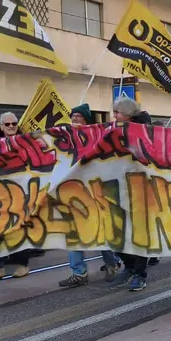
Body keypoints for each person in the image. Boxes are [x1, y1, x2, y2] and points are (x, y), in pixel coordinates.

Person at [59, 104, 121, 288]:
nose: (75, 118)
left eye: (79, 116)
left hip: (96, 191)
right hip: (73, 192)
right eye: (73, 115)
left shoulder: (97, 137)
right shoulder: (67, 139)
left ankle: (112, 264)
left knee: (100, 231)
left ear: (87, 119)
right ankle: (78, 273)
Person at [0, 112, 33, 281]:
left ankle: (23, 265)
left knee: (19, 229)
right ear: (1, 126)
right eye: (7, 124)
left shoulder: (25, 142)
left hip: (21, 195)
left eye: (14, 123)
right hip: (0, 195)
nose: (11, 126)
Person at [108, 97, 151, 292]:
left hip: (141, 190)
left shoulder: (145, 132)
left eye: (117, 112)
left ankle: (140, 274)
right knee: (114, 233)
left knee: (138, 235)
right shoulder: (116, 131)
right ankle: (130, 266)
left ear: (126, 114)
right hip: (120, 188)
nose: (113, 116)